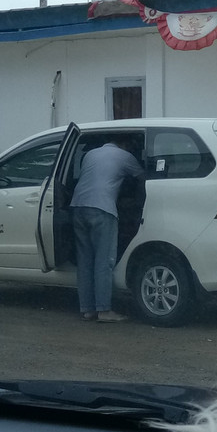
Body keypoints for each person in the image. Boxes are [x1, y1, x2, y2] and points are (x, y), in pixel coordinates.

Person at [70, 133, 144, 322]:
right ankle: (104, 311)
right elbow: (144, 179)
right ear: (125, 143)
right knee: (104, 261)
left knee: (85, 261)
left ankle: (87, 309)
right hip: (102, 209)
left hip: (77, 207)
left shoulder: (91, 154)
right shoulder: (125, 156)